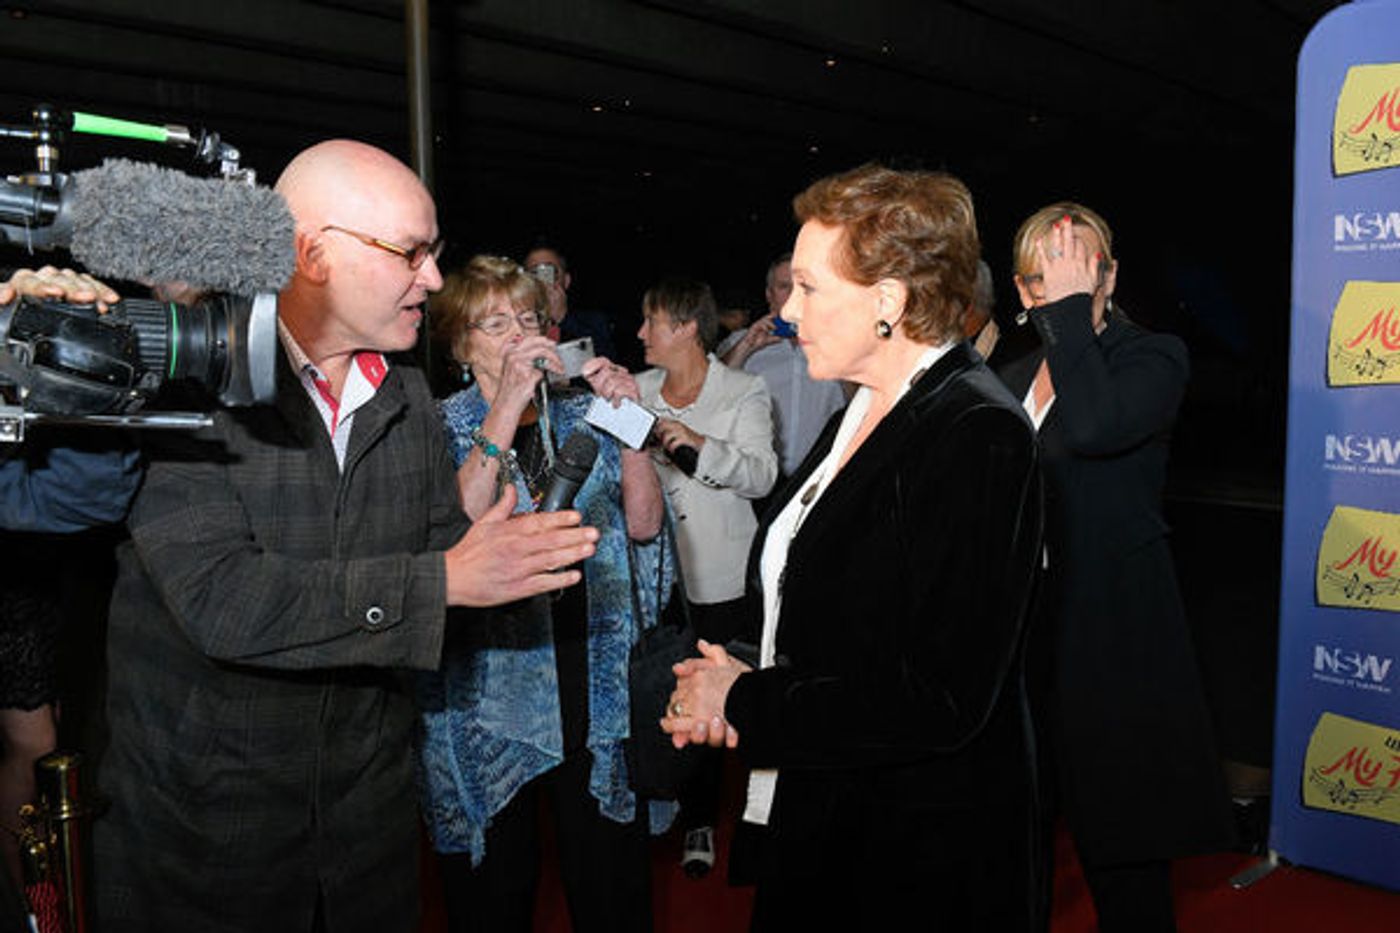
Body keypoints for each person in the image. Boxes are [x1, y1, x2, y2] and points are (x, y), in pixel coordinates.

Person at [92, 141, 600, 933]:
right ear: (313, 253)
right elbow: (225, 601)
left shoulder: (402, 396)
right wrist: (446, 580)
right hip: (209, 849)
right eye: (411, 253)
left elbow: (439, 570)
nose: (432, 280)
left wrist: (502, 561)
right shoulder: (187, 385)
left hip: (368, 845)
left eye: (433, 254)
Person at [660, 165, 1044, 931]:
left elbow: (941, 697)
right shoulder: (869, 403)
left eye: (807, 288)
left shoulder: (977, 432)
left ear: (889, 302)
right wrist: (736, 667)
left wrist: (742, 699)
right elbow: (837, 607)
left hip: (915, 855)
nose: (789, 312)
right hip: (837, 814)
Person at [417, 256, 672, 933]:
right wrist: (506, 402)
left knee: (609, 877)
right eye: (494, 323)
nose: (517, 334)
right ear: (458, 344)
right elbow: (455, 520)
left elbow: (644, 524)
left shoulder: (584, 412)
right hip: (488, 681)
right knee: (497, 882)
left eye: (527, 318)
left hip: (589, 663)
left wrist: (632, 426)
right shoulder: (436, 425)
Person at [999, 204, 1234, 932]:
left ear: (1110, 278)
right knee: (1013, 844)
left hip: (1113, 642)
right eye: (1049, 272)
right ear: (1021, 287)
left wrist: (1068, 313)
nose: (1070, 282)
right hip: (1020, 644)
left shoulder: (1153, 357)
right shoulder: (1007, 376)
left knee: (1123, 857)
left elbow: (1096, 425)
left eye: (1086, 266)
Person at [0, 266, 136, 931]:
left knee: (38, 744)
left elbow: (81, 499)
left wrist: (81, 362)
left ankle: (38, 909)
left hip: (21, 582)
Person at [634, 277, 777, 877]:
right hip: (656, 578)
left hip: (722, 576)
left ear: (688, 327)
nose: (640, 333)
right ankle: (675, 805)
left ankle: (715, 818)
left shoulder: (744, 390)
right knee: (662, 692)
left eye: (652, 321)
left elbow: (762, 477)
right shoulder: (635, 390)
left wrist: (698, 443)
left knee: (723, 694)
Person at [722, 253, 846, 487]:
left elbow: (860, 404)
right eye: (784, 287)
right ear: (769, 295)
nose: (793, 295)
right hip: (756, 482)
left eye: (803, 286)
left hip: (820, 479)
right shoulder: (742, 341)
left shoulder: (837, 344)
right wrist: (746, 347)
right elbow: (708, 390)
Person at [523, 244, 617, 361]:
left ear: (566, 281)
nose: (543, 281)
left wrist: (564, 319)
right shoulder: (515, 325)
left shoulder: (594, 322)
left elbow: (608, 364)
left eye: (550, 272)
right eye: (534, 273)